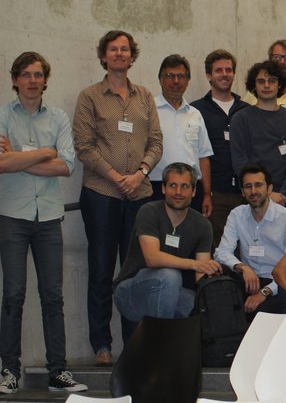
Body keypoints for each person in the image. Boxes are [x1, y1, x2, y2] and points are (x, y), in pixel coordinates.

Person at [73, 30, 163, 365]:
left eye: (125, 49)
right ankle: (101, 345)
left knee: (135, 272)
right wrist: (116, 177)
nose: (120, 54)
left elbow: (156, 141)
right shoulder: (89, 97)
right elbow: (84, 147)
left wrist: (139, 173)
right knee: (100, 269)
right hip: (101, 194)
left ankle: (134, 343)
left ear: (132, 56)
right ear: (103, 56)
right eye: (113, 49)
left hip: (140, 194)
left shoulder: (145, 96)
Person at [0, 52, 87, 394]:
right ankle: (9, 371)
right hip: (12, 216)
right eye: (26, 74)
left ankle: (58, 372)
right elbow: (1, 164)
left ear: (46, 80)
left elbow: (66, 166)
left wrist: (18, 157)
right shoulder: (3, 115)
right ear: (15, 79)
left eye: (38, 75)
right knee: (13, 295)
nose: (32, 80)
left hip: (49, 217)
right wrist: (44, 152)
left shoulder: (59, 117)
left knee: (53, 296)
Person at [114, 163, 221, 322]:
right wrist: (193, 264)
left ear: (193, 191)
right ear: (163, 188)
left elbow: (201, 274)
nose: (178, 192)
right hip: (130, 293)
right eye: (173, 185)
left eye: (184, 186)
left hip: (172, 290)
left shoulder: (203, 225)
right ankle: (160, 337)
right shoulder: (149, 211)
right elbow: (152, 258)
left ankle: (167, 336)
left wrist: (211, 278)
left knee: (201, 305)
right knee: (170, 276)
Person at [214, 164, 286, 314]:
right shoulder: (237, 214)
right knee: (219, 290)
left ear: (269, 188)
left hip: (278, 283)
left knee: (262, 310)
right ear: (242, 192)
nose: (253, 191)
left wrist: (264, 293)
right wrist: (243, 267)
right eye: (248, 186)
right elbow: (221, 252)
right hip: (248, 279)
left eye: (258, 185)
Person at [190, 49, 250, 248]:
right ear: (209, 75)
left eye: (228, 70)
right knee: (215, 248)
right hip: (213, 194)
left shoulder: (246, 109)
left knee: (246, 248)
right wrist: (206, 193)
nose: (224, 74)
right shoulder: (196, 110)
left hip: (245, 193)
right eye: (218, 70)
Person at [149, 54, 214, 216]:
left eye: (181, 76)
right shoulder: (149, 110)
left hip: (191, 189)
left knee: (190, 231)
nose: (175, 81)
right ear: (160, 79)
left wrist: (207, 194)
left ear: (187, 80)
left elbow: (203, 156)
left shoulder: (195, 114)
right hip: (157, 188)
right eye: (169, 76)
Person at [230, 61, 286, 211]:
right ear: (254, 86)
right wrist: (266, 193)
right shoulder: (241, 119)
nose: (266, 85)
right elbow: (240, 161)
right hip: (254, 198)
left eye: (272, 80)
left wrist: (283, 193)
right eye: (261, 81)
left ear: (279, 84)